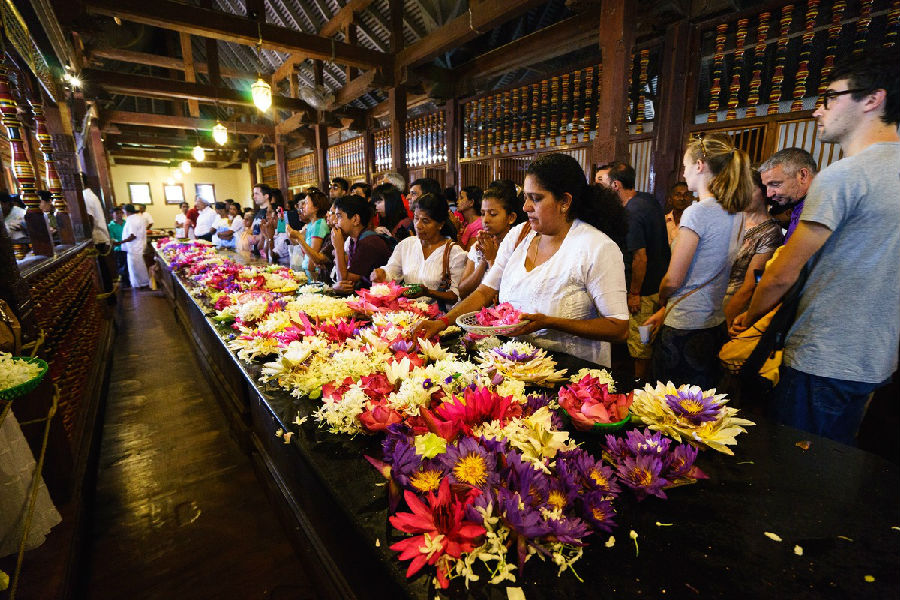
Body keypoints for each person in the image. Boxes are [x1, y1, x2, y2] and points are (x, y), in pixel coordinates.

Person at [732, 51, 899, 444]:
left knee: (792, 463)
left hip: (824, 353)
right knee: (834, 463)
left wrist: (747, 317)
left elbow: (782, 274)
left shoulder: (846, 174)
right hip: (877, 357)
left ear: (872, 99)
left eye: (830, 97)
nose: (817, 110)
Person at [416, 153, 629, 367]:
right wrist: (443, 322)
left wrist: (550, 323)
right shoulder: (519, 235)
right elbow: (485, 291)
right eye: (526, 197)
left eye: (536, 198)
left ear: (564, 201)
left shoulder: (596, 247)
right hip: (516, 368)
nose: (526, 206)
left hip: (573, 372)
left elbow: (618, 328)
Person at [642, 133, 753, 389]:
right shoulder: (736, 213)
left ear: (700, 165)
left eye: (685, 165)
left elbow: (674, 279)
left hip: (685, 326)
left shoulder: (697, 212)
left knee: (668, 402)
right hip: (714, 322)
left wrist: (662, 296)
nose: (684, 172)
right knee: (702, 402)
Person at [597, 161, 671, 384]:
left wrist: (634, 293)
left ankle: (639, 385)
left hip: (644, 291)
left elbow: (640, 257)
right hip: (658, 284)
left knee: (641, 342)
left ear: (616, 185)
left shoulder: (632, 213)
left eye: (605, 183)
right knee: (646, 338)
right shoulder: (648, 199)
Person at [372, 193, 466, 307]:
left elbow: (456, 295)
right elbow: (391, 273)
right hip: (409, 312)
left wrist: (428, 292)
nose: (418, 225)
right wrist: (381, 274)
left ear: (440, 224)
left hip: (440, 315)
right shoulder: (407, 245)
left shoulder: (454, 253)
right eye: (416, 218)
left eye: (425, 221)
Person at [722, 170, 783, 325]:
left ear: (764, 192)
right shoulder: (730, 218)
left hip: (734, 303)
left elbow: (751, 285)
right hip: (709, 297)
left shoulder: (771, 231)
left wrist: (723, 324)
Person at [458, 184, 526, 299]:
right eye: (483, 214)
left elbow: (508, 294)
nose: (486, 220)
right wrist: (483, 261)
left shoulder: (518, 248)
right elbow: (462, 291)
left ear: (511, 218)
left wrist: (491, 260)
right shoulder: (478, 246)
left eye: (493, 214)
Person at [331, 195, 392, 293]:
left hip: (381, 297)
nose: (335, 221)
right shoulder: (354, 239)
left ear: (355, 219)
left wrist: (338, 247)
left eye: (339, 216)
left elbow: (344, 281)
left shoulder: (369, 242)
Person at [759, 148, 817, 241]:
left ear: (803, 175)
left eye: (775, 184)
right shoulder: (800, 204)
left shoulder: (819, 211)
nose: (769, 194)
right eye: (766, 186)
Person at [286, 190, 331, 279]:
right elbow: (297, 242)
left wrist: (310, 277)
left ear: (316, 207)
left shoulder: (319, 224)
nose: (303, 206)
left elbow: (313, 257)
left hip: (314, 274)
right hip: (307, 270)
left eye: (306, 203)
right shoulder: (311, 224)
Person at [119, 204, 150, 288]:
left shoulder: (131, 220)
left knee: (136, 267)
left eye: (123, 211)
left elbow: (133, 235)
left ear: (127, 211)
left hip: (134, 247)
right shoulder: (138, 217)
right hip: (137, 246)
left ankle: (141, 284)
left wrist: (120, 242)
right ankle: (142, 283)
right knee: (139, 265)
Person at [456, 186, 484, 250]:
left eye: (461, 198)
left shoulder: (479, 226)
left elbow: (467, 253)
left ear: (471, 202)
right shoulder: (465, 223)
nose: (457, 201)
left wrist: (456, 230)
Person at [107, 207, 129, 286]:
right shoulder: (110, 226)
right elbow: (112, 238)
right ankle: (125, 283)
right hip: (119, 249)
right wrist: (119, 242)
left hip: (129, 248)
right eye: (117, 213)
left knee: (129, 265)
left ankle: (130, 281)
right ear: (112, 215)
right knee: (122, 266)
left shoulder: (126, 223)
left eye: (120, 213)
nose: (119, 215)